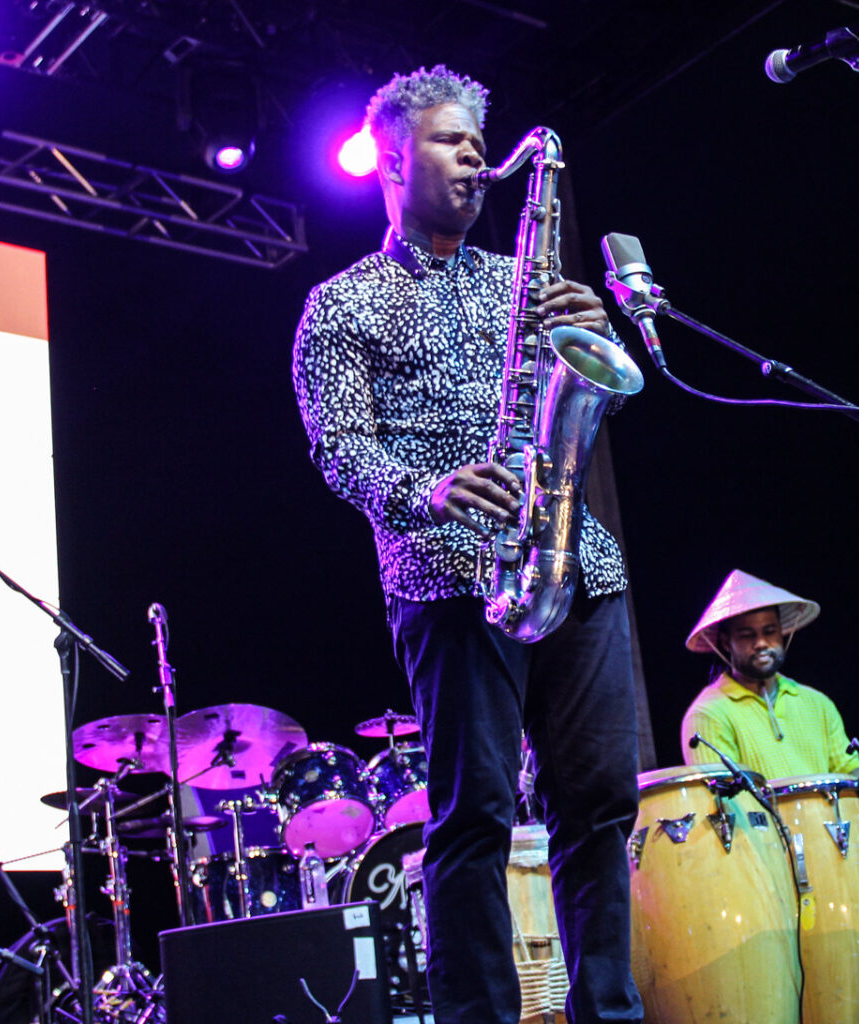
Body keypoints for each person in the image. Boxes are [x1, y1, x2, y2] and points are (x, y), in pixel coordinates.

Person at [291, 66, 642, 1024]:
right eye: (451, 141)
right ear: (392, 162)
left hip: (572, 564)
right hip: (449, 578)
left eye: (480, 144)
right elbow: (338, 448)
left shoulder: (521, 284)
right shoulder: (341, 304)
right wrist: (428, 492)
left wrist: (593, 343)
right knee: (476, 817)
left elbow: (588, 411)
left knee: (600, 806)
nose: (475, 157)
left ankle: (607, 1011)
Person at [680, 571, 859, 823]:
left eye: (770, 631)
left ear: (782, 633)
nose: (761, 643)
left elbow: (848, 768)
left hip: (835, 837)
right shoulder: (708, 714)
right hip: (765, 843)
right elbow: (726, 805)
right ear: (726, 643)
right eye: (747, 635)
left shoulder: (816, 703)